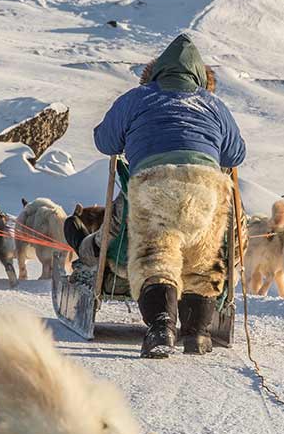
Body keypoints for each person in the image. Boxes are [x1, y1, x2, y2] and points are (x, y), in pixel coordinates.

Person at [93, 34, 246, 358]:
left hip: (154, 182)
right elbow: (236, 153)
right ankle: (198, 333)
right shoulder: (212, 104)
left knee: (155, 258)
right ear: (198, 76)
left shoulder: (136, 98)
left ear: (157, 71)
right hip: (206, 187)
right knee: (202, 262)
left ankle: (162, 326)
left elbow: (106, 142)